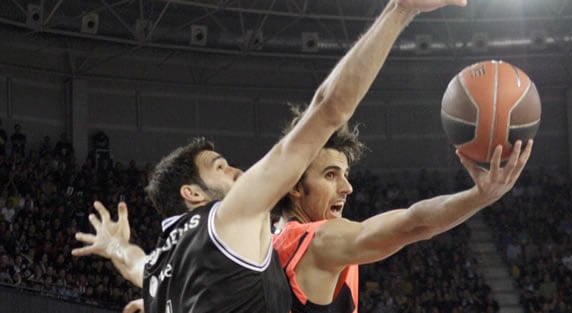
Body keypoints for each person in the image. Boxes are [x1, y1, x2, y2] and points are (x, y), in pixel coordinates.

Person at [71, 0, 458, 312]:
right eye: (220, 167)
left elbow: (134, 262)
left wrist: (113, 246)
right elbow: (326, 109)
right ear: (193, 192)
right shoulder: (229, 218)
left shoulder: (161, 266)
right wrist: (400, 10)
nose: (237, 170)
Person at [270, 107, 532, 312]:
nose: (347, 187)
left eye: (346, 174)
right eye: (330, 175)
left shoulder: (268, 243)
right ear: (294, 185)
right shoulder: (318, 241)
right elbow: (414, 223)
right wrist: (479, 196)